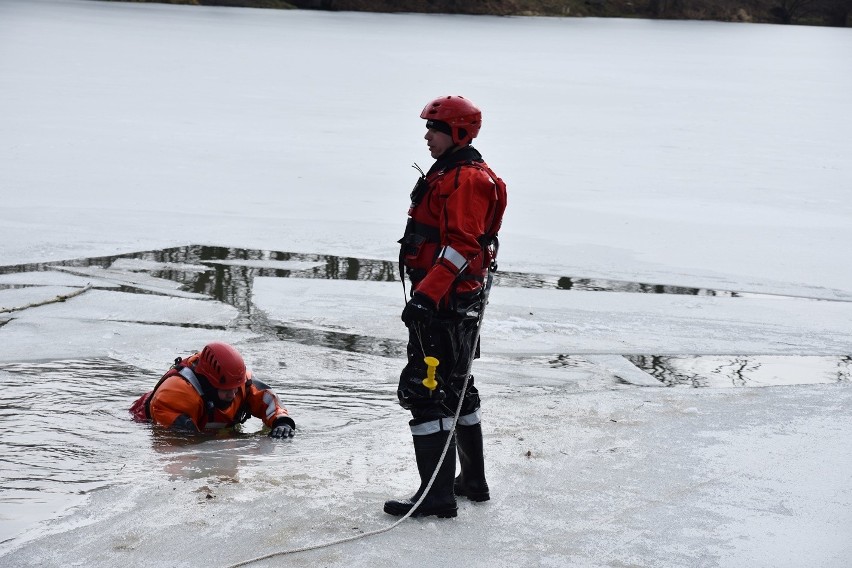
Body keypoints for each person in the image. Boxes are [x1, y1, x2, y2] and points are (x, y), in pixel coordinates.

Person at [384, 95, 507, 519]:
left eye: (432, 129)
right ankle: (471, 481)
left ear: (456, 132)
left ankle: (436, 495)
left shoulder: (466, 181)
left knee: (425, 389)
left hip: (446, 304)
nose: (426, 136)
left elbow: (461, 247)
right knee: (457, 388)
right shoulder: (459, 174)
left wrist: (426, 296)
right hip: (457, 301)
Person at [130, 341, 296, 438]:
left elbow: (266, 399)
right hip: (142, 419)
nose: (232, 394)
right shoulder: (177, 394)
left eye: (235, 388)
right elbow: (183, 444)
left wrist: (282, 421)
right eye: (225, 390)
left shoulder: (241, 383)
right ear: (208, 381)